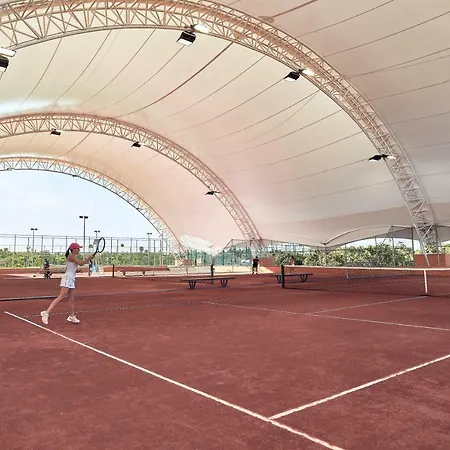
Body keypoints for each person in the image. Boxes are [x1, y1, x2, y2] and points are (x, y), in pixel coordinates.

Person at [40, 243, 94, 325]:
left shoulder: (73, 257)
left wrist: (77, 270)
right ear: (73, 249)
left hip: (71, 279)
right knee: (61, 297)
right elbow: (81, 263)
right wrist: (89, 258)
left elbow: (71, 268)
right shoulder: (71, 256)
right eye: (78, 248)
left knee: (72, 298)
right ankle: (46, 313)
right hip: (67, 278)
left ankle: (71, 316)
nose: (79, 250)